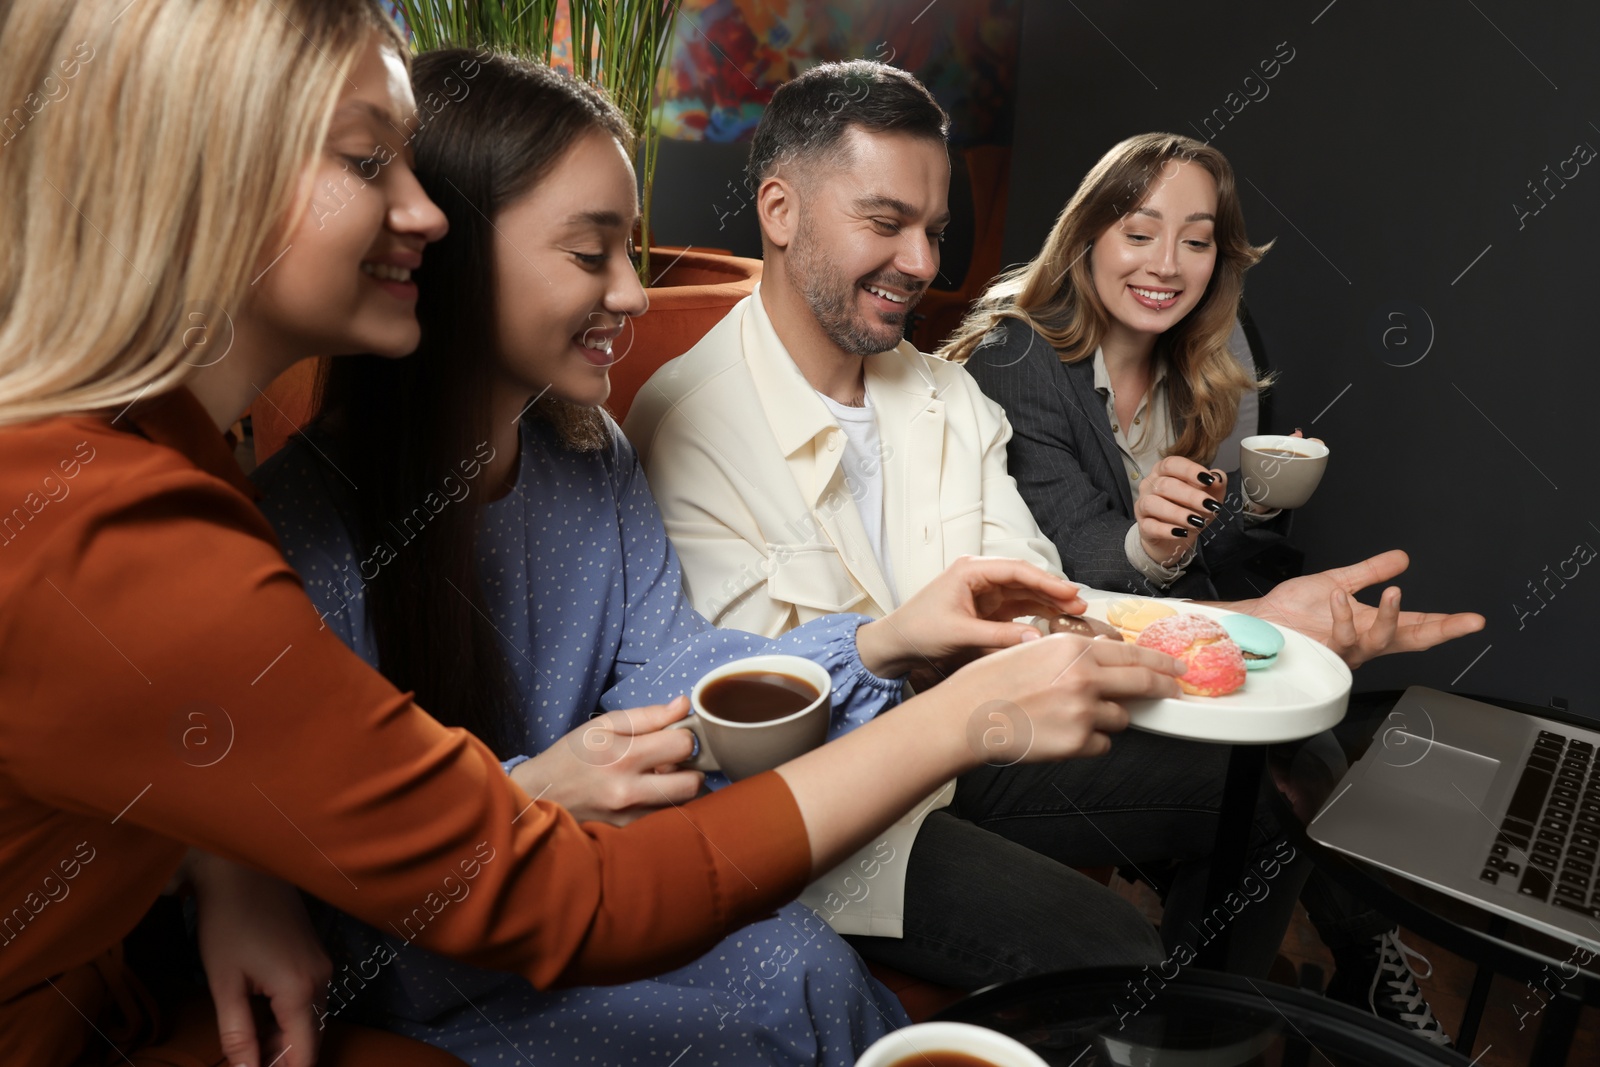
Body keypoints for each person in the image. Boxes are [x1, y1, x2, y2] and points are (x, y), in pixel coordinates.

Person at [0, 7, 1187, 1064]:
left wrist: (878, 642)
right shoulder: (210, 519)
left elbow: (667, 674)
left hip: (530, 879)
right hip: (444, 938)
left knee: (806, 973)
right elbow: (518, 879)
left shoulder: (576, 449)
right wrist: (944, 713)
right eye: (370, 162)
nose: (632, 292)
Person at [623, 58, 1482, 1018]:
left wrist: (1257, 625)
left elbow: (1056, 601)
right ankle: (1163, 1020)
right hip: (845, 814)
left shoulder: (945, 396)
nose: (920, 263)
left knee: (1270, 797)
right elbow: (763, 731)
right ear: (779, 211)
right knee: (1111, 951)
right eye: (885, 221)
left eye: (934, 232)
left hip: (981, 746)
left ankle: (1206, 1034)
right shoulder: (687, 419)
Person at [944, 133, 1303, 600]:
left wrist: (1255, 496)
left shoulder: (1184, 369)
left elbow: (1183, 551)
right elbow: (1073, 546)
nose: (1168, 265)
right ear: (1086, 236)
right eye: (1139, 235)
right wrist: (1157, 546)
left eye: (1196, 241)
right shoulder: (1014, 357)